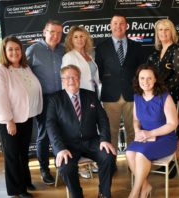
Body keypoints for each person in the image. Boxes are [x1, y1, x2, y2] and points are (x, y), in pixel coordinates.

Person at [46, 65, 116, 198]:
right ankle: (77, 195)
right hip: (68, 145)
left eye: (74, 77)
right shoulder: (54, 100)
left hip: (91, 141)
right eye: (67, 77)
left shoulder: (90, 95)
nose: (71, 80)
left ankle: (104, 193)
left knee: (108, 156)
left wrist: (105, 139)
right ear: (62, 80)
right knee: (66, 167)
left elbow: (103, 120)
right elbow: (51, 126)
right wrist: (60, 148)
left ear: (79, 78)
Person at [0, 36, 43, 198]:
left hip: (26, 118)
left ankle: (25, 181)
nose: (14, 52)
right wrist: (9, 121)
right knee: (13, 156)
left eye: (17, 49)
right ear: (4, 52)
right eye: (10, 49)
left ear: (21, 51)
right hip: (10, 121)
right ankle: (17, 190)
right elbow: (1, 99)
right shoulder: (0, 71)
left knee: (23, 153)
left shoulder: (25, 67)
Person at [95, 13, 146, 153]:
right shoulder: (101, 47)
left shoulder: (137, 47)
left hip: (133, 96)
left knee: (133, 131)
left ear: (126, 26)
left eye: (122, 23)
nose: (118, 26)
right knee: (111, 132)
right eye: (115, 23)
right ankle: (111, 162)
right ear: (110, 26)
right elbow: (98, 72)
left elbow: (142, 71)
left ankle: (133, 163)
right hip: (110, 96)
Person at [126, 64, 178, 198]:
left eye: (149, 78)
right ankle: (145, 186)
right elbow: (136, 120)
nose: (145, 82)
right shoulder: (137, 96)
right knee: (130, 153)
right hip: (145, 137)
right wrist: (138, 130)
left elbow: (173, 124)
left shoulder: (164, 97)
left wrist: (150, 133)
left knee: (141, 154)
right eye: (142, 78)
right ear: (138, 80)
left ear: (155, 79)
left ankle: (134, 193)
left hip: (165, 138)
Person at [26, 19, 64, 185]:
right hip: (44, 99)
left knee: (63, 133)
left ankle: (63, 166)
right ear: (44, 32)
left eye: (58, 33)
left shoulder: (64, 50)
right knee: (44, 135)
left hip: (62, 98)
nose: (55, 36)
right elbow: (23, 75)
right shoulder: (33, 50)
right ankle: (44, 169)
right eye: (52, 32)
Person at [147, 18, 179, 178]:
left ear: (172, 32)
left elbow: (178, 76)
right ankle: (163, 159)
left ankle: (173, 163)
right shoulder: (155, 53)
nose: (163, 33)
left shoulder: (176, 49)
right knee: (161, 128)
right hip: (156, 98)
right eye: (160, 30)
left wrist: (161, 91)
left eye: (166, 29)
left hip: (170, 96)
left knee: (173, 129)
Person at [62, 25, 101, 178]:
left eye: (82, 36)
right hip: (78, 98)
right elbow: (66, 80)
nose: (79, 39)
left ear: (87, 38)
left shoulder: (89, 55)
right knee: (79, 130)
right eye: (76, 37)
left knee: (90, 129)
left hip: (92, 96)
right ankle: (80, 166)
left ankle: (90, 161)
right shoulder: (69, 57)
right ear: (71, 40)